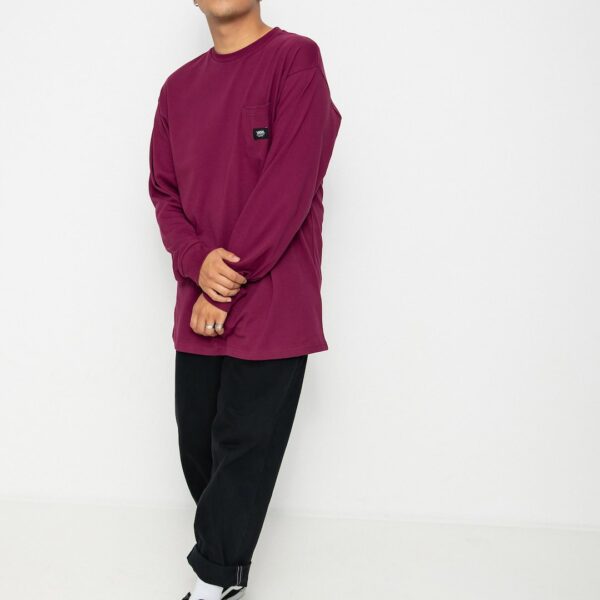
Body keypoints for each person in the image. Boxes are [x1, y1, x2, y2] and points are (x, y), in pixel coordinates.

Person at [147, 1, 342, 598]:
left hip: (273, 304)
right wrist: (196, 262)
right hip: (197, 304)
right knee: (198, 446)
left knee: (243, 449)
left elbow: (289, 184)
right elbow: (164, 193)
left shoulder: (295, 59)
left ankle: (215, 581)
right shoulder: (178, 88)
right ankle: (224, 563)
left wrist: (224, 280)